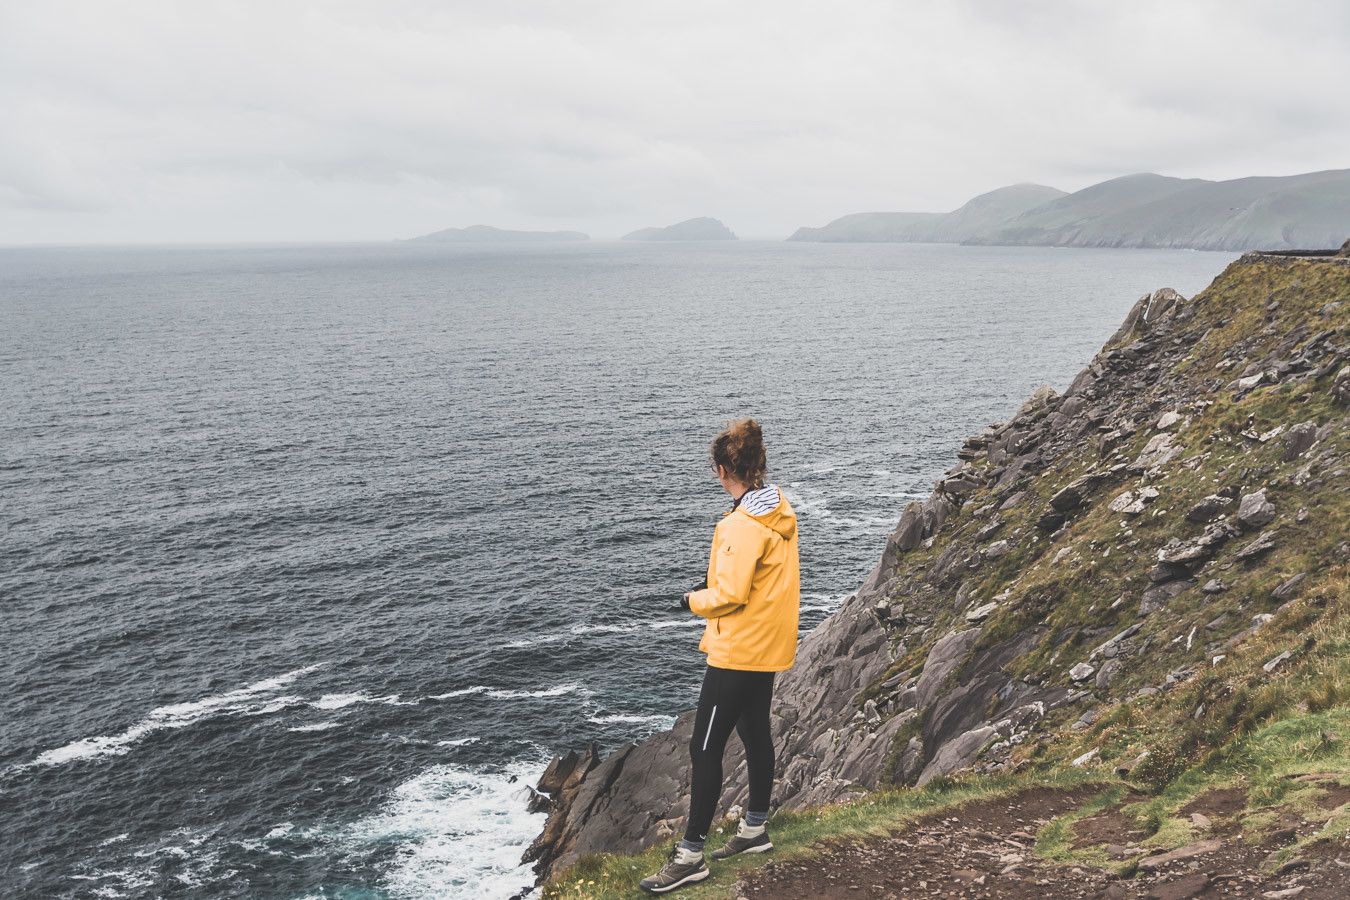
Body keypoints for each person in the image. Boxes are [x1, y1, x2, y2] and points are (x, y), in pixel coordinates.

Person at [640, 418, 801, 893]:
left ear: (720, 470)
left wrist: (691, 600)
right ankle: (754, 829)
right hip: (769, 647)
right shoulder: (778, 509)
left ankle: (691, 856)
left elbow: (729, 594)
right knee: (755, 735)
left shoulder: (739, 524)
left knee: (704, 748)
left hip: (736, 653)